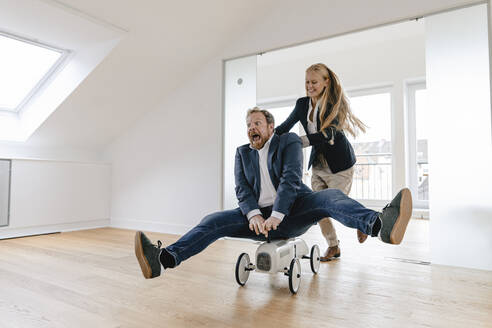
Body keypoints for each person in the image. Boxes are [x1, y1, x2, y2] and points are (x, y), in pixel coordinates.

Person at [135, 108, 413, 279]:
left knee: (330, 198)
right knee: (212, 221)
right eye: (248, 125)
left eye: (257, 123)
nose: (251, 128)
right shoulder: (242, 153)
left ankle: (379, 224)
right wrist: (254, 214)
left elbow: (291, 179)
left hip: (294, 211)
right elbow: (242, 190)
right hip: (258, 219)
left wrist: (278, 214)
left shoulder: (288, 141)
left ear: (271, 127)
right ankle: (163, 260)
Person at [275, 63, 367, 262]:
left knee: (334, 204)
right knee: (319, 209)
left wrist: (297, 142)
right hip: (318, 164)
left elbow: (328, 134)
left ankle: (362, 219)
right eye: (307, 82)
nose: (309, 86)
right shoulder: (302, 104)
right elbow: (285, 126)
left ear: (326, 82)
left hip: (340, 165)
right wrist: (268, 137)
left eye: (314, 82)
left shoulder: (335, 104)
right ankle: (333, 246)